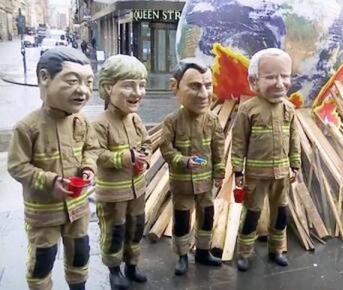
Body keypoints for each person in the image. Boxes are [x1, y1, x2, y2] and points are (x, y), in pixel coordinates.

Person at [7, 47, 98, 290]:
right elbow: (17, 166)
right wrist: (50, 181)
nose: (84, 90)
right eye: (72, 81)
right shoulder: (27, 127)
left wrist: (89, 168)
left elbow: (91, 149)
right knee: (42, 261)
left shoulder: (82, 121)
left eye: (89, 82)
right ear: (45, 78)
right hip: (43, 214)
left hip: (78, 209)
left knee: (80, 254)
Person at [232, 48, 301, 271]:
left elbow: (294, 140)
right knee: (251, 214)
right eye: (271, 77)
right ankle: (244, 252)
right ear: (254, 81)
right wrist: (237, 171)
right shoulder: (247, 110)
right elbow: (239, 142)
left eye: (285, 76)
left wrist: (295, 165)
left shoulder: (289, 109)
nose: (279, 83)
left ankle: (277, 249)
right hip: (255, 177)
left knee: (280, 213)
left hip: (281, 175)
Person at [160, 58, 225, 276]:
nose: (204, 94)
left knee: (207, 216)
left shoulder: (213, 121)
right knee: (182, 219)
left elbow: (218, 148)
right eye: (195, 86)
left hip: (205, 183)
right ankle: (181, 255)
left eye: (208, 85)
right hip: (182, 184)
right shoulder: (172, 121)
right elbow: (166, 150)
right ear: (174, 87)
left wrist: (219, 172)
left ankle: (203, 251)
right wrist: (182, 161)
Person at [93, 55, 151, 289]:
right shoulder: (100, 124)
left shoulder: (135, 120)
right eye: (128, 85)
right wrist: (127, 157)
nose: (137, 92)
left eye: (141, 85)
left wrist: (144, 155)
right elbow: (97, 154)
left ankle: (132, 265)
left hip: (137, 189)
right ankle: (114, 269)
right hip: (113, 195)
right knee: (115, 231)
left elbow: (147, 142)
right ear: (108, 87)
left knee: (136, 227)